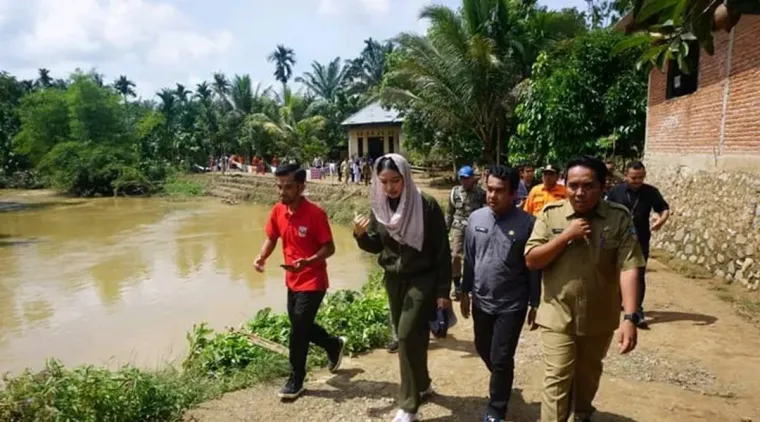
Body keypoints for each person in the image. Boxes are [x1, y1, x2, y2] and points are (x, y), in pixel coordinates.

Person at [525, 156, 644, 422]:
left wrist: (630, 317)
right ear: (565, 185)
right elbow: (532, 259)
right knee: (556, 377)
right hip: (557, 314)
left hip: (598, 317)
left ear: (603, 186)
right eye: (573, 185)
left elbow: (629, 267)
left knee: (588, 376)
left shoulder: (619, 218)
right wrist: (566, 236)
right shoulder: (550, 214)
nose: (579, 192)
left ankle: (581, 414)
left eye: (588, 185)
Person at [353, 153, 451, 422]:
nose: (390, 187)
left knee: (406, 336)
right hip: (393, 280)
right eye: (383, 181)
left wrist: (443, 292)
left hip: (422, 280)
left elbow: (442, 251)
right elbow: (377, 245)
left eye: (395, 180)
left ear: (405, 177)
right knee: (412, 338)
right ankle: (423, 384)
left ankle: (409, 405)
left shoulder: (427, 205)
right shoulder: (379, 206)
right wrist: (360, 236)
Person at [253, 163, 347, 400]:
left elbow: (330, 247)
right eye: (279, 187)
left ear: (301, 187)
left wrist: (309, 261)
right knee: (300, 325)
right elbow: (271, 237)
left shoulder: (316, 214)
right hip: (291, 279)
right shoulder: (277, 211)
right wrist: (261, 257)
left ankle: (296, 379)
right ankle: (333, 344)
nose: (282, 192)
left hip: (314, 279)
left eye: (288, 187)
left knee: (297, 331)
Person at [460, 165, 540, 422]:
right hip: (482, 300)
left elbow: (533, 268)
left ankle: (497, 408)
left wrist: (535, 302)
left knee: (502, 356)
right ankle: (502, 378)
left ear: (514, 193)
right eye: (489, 189)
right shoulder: (476, 219)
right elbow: (469, 258)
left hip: (512, 303)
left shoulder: (528, 224)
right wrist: (464, 290)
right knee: (483, 348)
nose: (492, 195)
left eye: (499, 191)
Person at [605, 160, 670, 327]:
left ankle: (636, 311)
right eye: (634, 178)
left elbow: (663, 208)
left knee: (638, 275)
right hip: (616, 239)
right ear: (626, 176)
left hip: (640, 240)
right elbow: (604, 211)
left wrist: (661, 221)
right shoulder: (615, 192)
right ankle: (615, 303)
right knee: (613, 273)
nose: (637, 181)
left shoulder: (650, 192)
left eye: (641, 177)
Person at [446, 165, 487, 299]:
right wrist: (446, 229)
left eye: (467, 178)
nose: (464, 181)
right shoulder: (455, 192)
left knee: (473, 257)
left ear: (472, 179)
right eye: (462, 178)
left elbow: (486, 212)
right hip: (458, 227)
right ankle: (457, 285)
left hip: (475, 228)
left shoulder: (481, 193)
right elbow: (449, 212)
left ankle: (470, 285)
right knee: (455, 255)